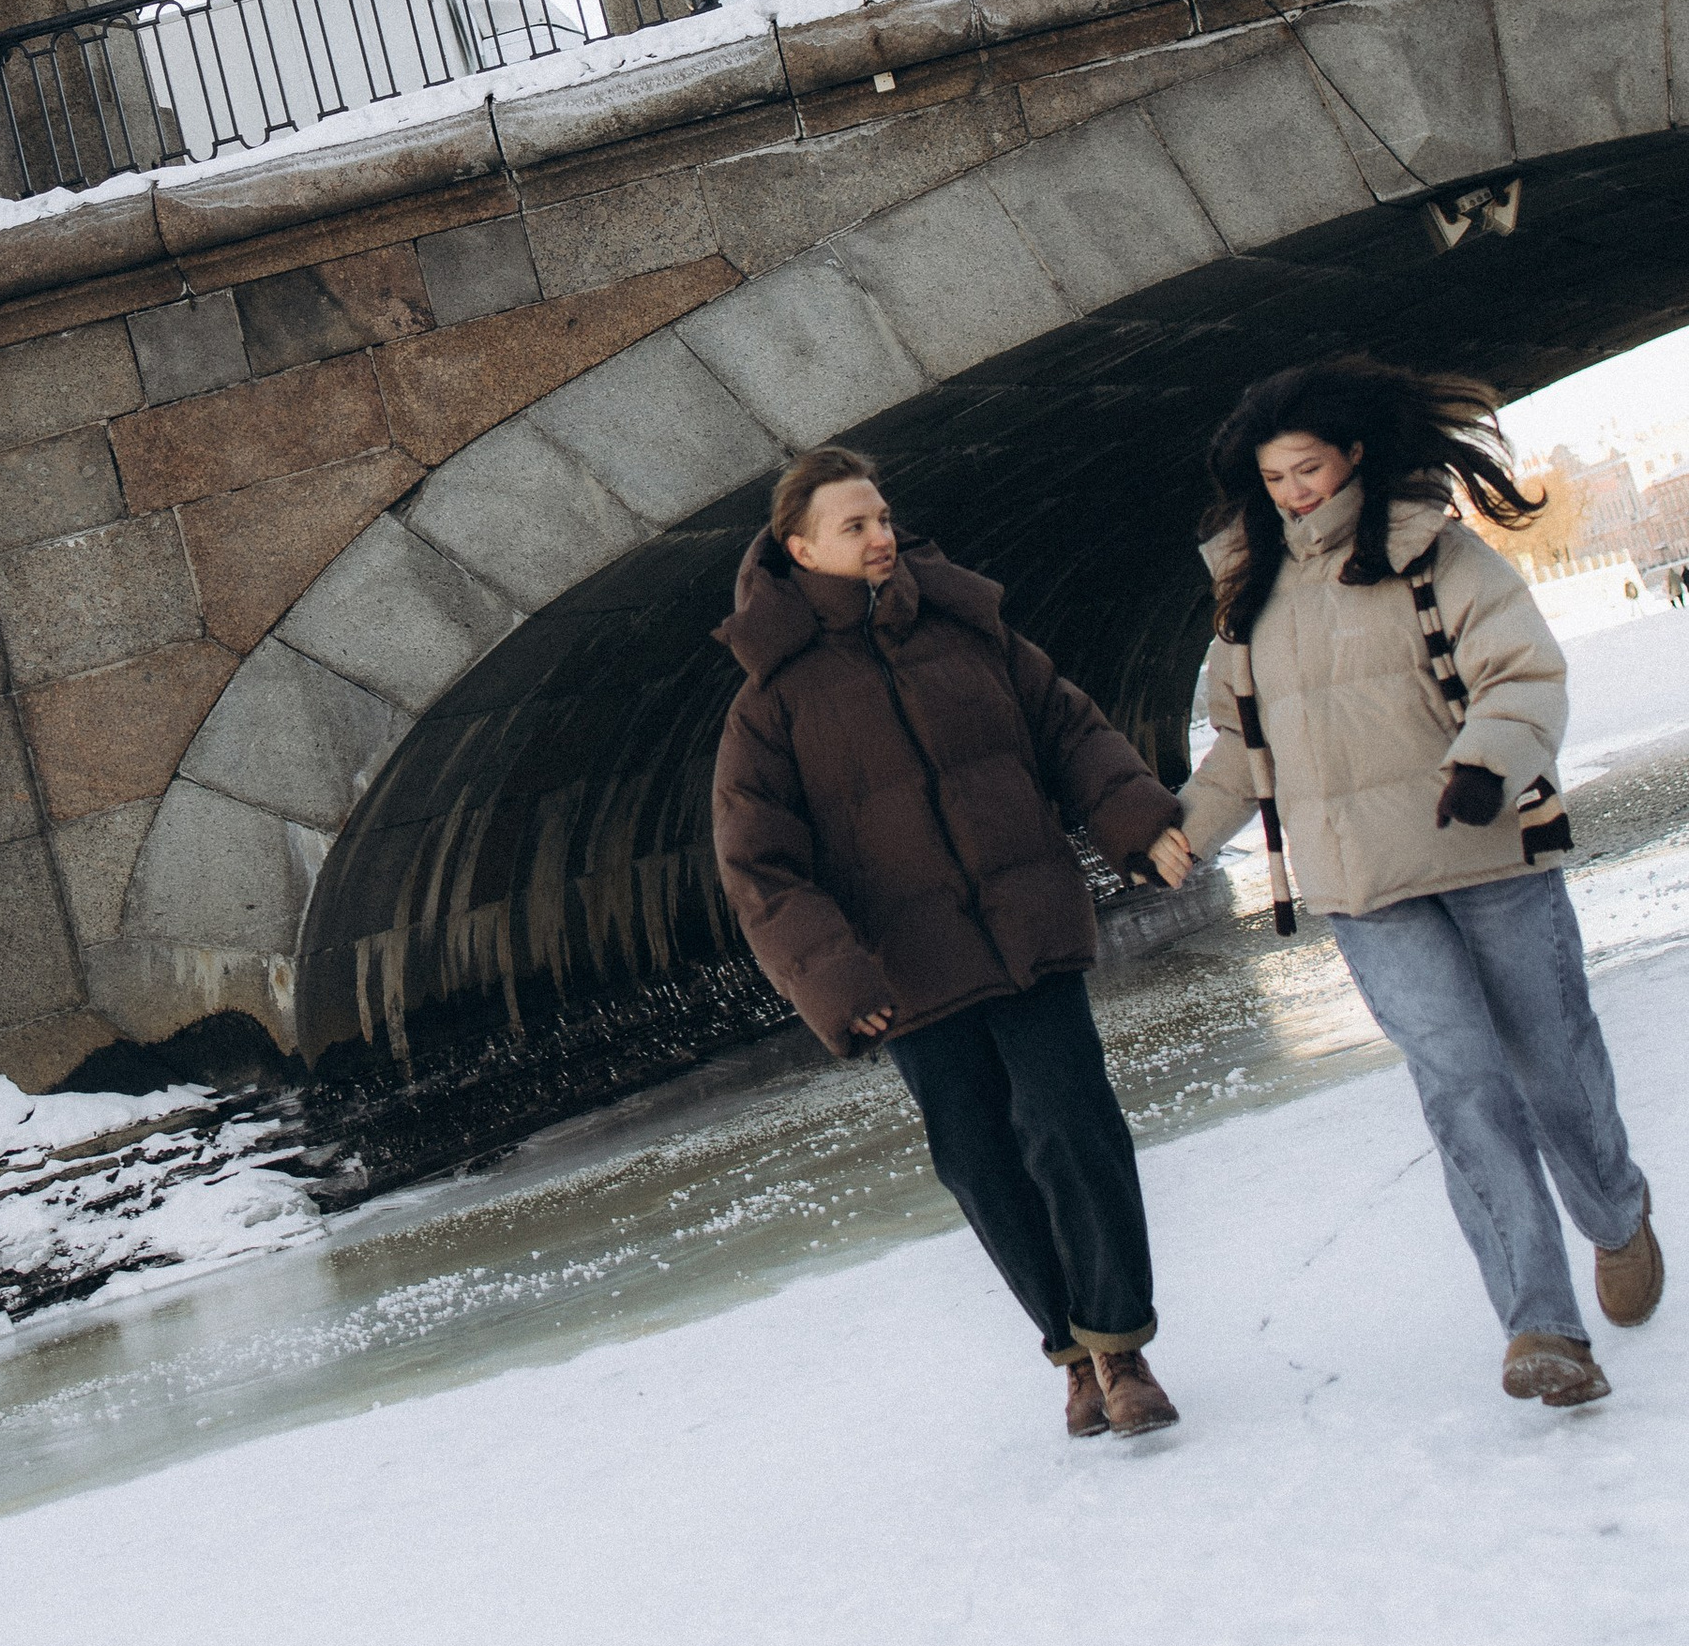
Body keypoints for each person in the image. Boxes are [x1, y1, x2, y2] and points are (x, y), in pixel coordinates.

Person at [1177, 356, 1662, 1411]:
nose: (1294, 492)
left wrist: (1488, 759)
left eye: (1307, 469)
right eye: (1275, 479)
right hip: (1361, 886)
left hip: (1483, 854)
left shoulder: (1435, 555)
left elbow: (1520, 673)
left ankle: (1615, 1210)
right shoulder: (1245, 594)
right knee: (1462, 1091)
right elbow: (1234, 745)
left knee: (1550, 1060)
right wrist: (1182, 835)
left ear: (1351, 455)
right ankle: (1540, 1324)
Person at [712, 443, 1196, 1441]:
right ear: (800, 547)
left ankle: (1120, 1344)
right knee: (980, 1161)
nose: (880, 536)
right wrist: (835, 977)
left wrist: (1135, 823)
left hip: (1024, 931)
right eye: (854, 525)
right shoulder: (769, 703)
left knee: (1073, 1128)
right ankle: (1068, 1352)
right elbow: (757, 861)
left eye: (883, 518)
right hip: (907, 972)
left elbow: (1067, 729)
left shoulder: (969, 631)